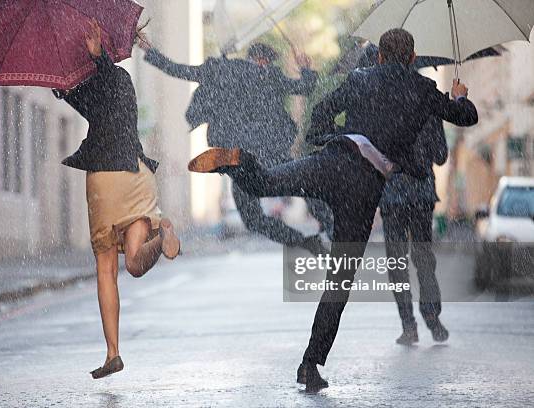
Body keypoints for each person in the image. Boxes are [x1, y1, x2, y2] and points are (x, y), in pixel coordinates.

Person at [187, 28, 478, 392]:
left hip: (332, 160)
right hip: (364, 186)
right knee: (339, 282)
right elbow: (466, 117)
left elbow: (321, 115)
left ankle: (238, 161)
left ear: (382, 56)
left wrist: (329, 140)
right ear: (411, 55)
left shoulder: (359, 78)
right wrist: (460, 97)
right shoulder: (423, 91)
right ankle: (310, 365)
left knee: (266, 184)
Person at [54, 20, 181, 379]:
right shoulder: (113, 81)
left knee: (107, 270)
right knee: (134, 265)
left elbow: (104, 88)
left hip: (108, 181)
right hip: (136, 177)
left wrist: (98, 61)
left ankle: (113, 351)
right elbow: (89, 97)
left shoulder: (114, 78)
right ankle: (162, 237)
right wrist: (64, 86)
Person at [138, 37, 328, 255]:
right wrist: (306, 69)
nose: (268, 66)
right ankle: (329, 227)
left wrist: (150, 50)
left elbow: (177, 70)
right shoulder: (268, 75)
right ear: (262, 60)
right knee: (304, 185)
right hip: (270, 151)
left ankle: (306, 242)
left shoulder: (219, 70)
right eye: (269, 61)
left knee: (254, 218)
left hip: (240, 159)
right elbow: (305, 87)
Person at [380, 115, 449, 345]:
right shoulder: (429, 109)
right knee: (424, 259)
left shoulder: (384, 106)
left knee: (397, 263)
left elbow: (375, 155)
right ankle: (432, 317)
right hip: (421, 194)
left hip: (393, 196)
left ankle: (408, 325)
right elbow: (440, 157)